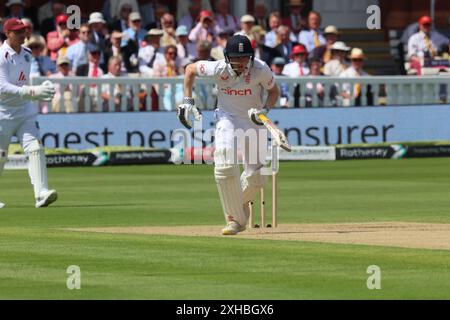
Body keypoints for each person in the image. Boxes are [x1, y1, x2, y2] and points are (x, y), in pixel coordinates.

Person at [177, 35, 280, 235]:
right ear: (226, 57)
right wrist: (188, 101)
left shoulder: (260, 69)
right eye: (236, 58)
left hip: (253, 119)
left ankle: (236, 208)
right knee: (224, 158)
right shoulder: (218, 68)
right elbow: (190, 70)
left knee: (258, 177)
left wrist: (265, 111)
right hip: (227, 117)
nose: (241, 62)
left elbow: (274, 91)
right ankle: (235, 220)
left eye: (245, 57)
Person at [0, 18, 57, 209]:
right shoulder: (1, 55)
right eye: (17, 32)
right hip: (2, 112)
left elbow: (22, 82)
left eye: (24, 31)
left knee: (36, 147)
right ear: (7, 33)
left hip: (24, 110)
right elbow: (2, 87)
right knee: (0, 155)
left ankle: (41, 193)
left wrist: (43, 88)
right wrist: (33, 92)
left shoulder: (27, 53)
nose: (23, 35)